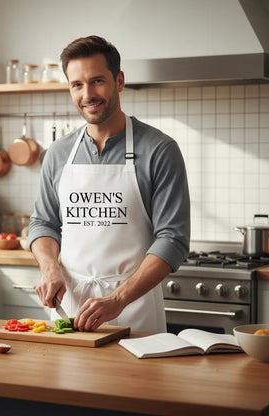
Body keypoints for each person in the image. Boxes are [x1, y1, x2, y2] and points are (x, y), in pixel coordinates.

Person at [28, 35, 190, 333]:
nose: (87, 94)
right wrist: (50, 268)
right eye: (77, 84)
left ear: (119, 81)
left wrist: (118, 298)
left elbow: (173, 239)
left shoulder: (159, 150)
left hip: (134, 311)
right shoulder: (58, 153)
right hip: (70, 311)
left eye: (97, 81)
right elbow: (43, 224)